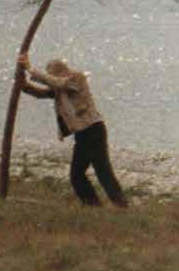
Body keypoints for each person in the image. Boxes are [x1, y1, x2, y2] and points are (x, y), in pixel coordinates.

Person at [17, 53, 128, 208]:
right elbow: (42, 93)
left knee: (93, 173)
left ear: (60, 72)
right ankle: (101, 205)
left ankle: (112, 206)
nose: (50, 81)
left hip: (93, 130)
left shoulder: (76, 79)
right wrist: (25, 87)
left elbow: (58, 83)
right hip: (83, 134)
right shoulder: (59, 88)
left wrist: (30, 68)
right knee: (86, 174)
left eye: (51, 76)